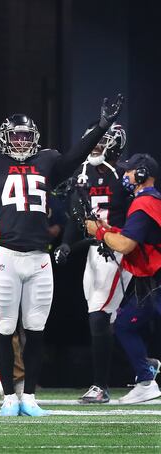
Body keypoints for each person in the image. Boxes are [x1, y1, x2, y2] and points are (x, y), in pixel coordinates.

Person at [0, 68, 123, 416]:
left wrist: (101, 127)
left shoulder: (47, 160)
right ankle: (10, 397)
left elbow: (75, 155)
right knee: (3, 329)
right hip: (7, 257)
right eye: (14, 137)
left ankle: (28, 395)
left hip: (40, 258)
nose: (20, 142)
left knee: (36, 329)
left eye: (25, 136)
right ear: (4, 138)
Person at [54, 123, 132, 404]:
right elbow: (78, 216)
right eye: (93, 139)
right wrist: (65, 242)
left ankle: (101, 386)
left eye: (102, 140)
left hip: (118, 250)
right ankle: (145, 366)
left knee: (99, 316)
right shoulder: (82, 173)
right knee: (102, 317)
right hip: (94, 252)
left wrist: (130, 243)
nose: (96, 144)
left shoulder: (123, 175)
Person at [86, 153, 161, 404]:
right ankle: (145, 372)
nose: (125, 176)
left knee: (125, 325)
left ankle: (145, 378)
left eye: (129, 171)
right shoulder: (147, 200)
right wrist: (107, 231)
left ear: (141, 173)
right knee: (127, 323)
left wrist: (100, 232)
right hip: (151, 278)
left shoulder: (144, 203)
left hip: (155, 279)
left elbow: (127, 244)